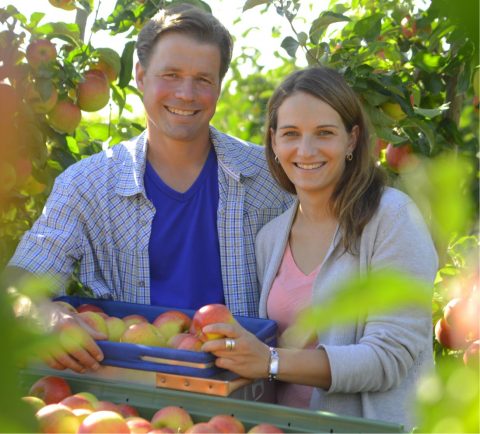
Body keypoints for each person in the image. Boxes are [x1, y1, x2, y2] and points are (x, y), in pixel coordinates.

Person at [5, 4, 292, 373]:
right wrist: (43, 315)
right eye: (170, 75)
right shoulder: (88, 184)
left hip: (245, 388)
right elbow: (19, 281)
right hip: (133, 393)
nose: (186, 94)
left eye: (203, 79)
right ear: (140, 76)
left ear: (219, 85)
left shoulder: (271, 178)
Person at [200, 66, 438, 430]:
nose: (306, 150)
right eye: (291, 134)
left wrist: (271, 361)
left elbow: (388, 358)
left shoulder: (392, 218)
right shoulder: (271, 238)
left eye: (324, 133)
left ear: (352, 139)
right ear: (274, 143)